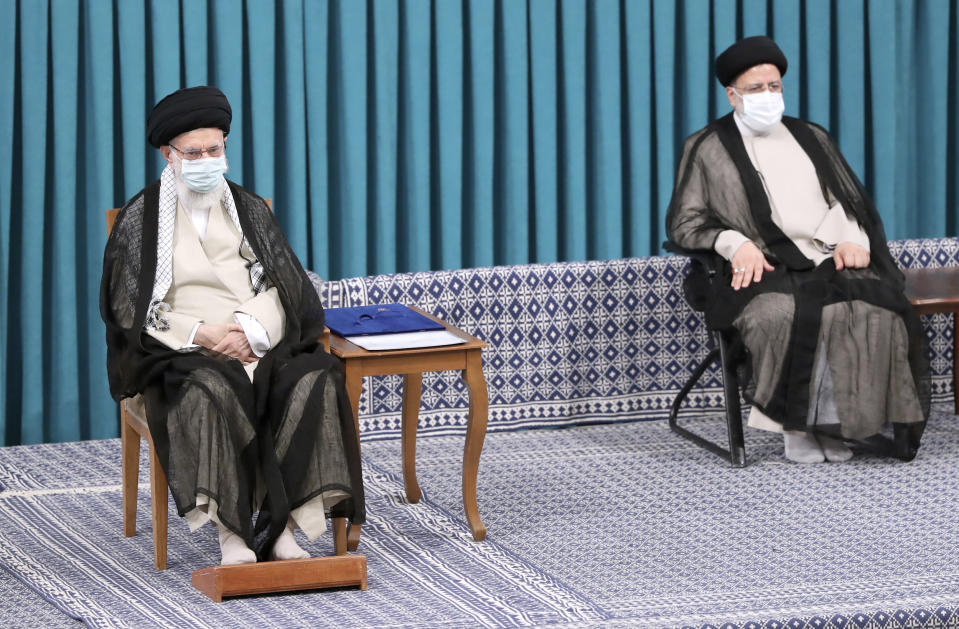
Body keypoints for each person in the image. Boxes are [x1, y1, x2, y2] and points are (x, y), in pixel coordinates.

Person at [101, 86, 364, 564]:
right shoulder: (140, 218)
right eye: (194, 152)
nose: (206, 159)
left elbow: (286, 286)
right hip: (182, 349)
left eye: (214, 149)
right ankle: (233, 535)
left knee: (314, 377)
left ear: (225, 146)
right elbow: (129, 307)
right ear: (169, 154)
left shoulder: (249, 209)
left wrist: (249, 331)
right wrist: (200, 334)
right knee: (209, 389)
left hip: (257, 339)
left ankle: (280, 524)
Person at [666, 37, 927, 463]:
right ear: (732, 94)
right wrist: (737, 244)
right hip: (762, 266)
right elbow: (686, 221)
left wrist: (850, 240)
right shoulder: (707, 147)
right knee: (778, 314)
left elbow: (845, 201)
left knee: (872, 309)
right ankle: (797, 427)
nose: (768, 96)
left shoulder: (811, 136)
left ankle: (840, 423)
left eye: (775, 86)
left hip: (825, 256)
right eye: (755, 89)